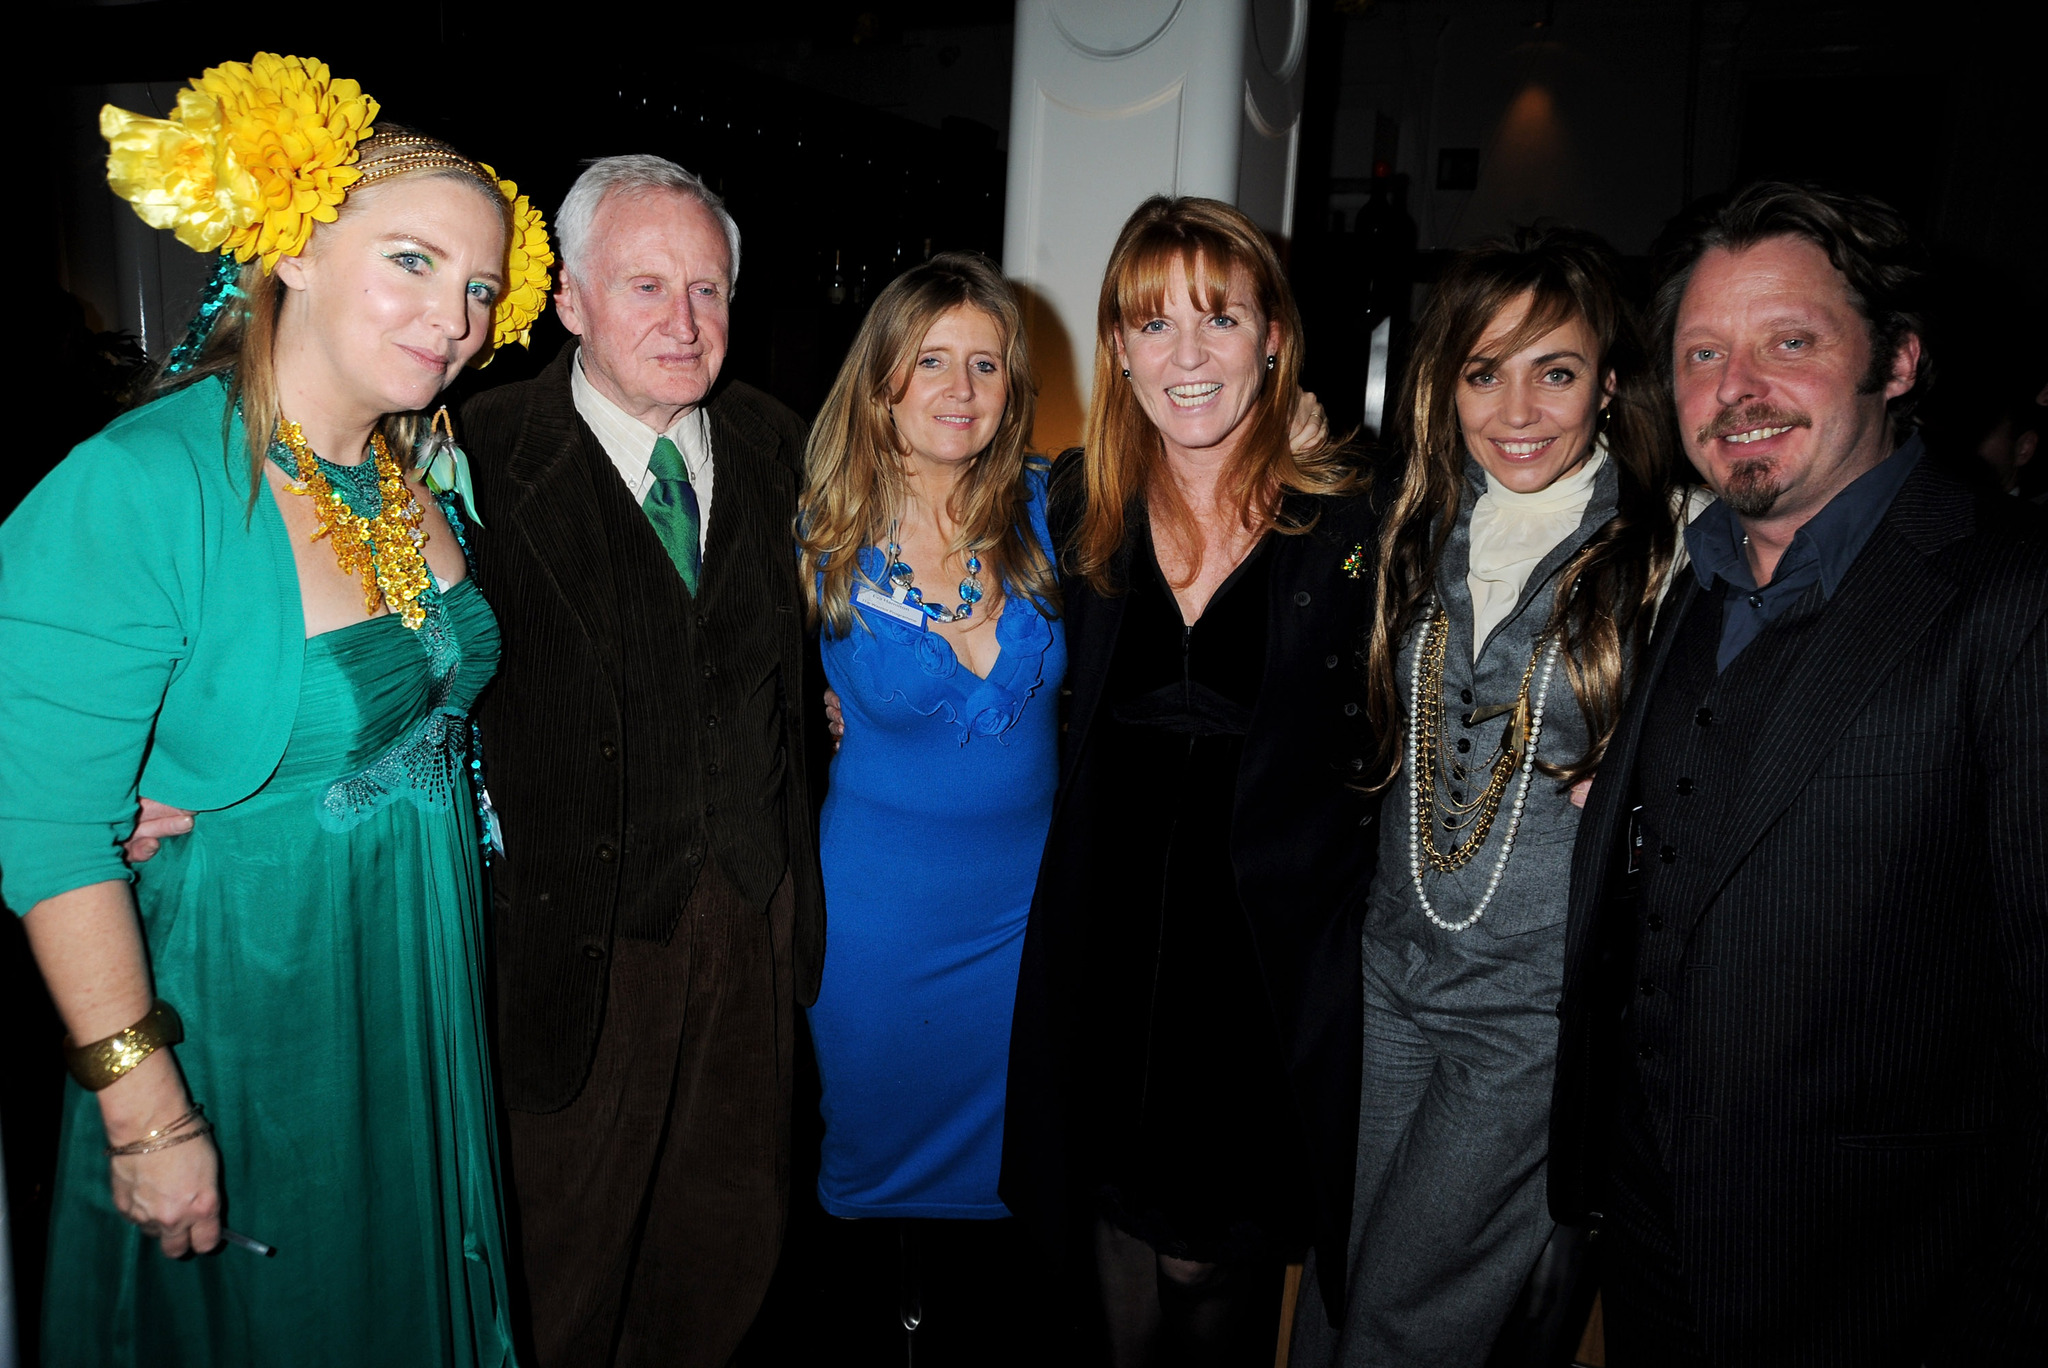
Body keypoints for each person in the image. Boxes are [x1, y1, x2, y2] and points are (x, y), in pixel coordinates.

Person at [0, 52, 551, 1366]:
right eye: (412, 261)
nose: (457, 316)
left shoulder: (417, 464)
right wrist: (152, 1120)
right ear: (292, 247)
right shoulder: (139, 483)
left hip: (414, 980)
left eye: (479, 286)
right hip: (249, 1006)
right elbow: (47, 836)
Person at [1551, 182, 2048, 1365]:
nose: (1736, 390)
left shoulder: (2010, 600)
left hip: (1882, 1281)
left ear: (1897, 361)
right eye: (1702, 354)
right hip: (1653, 1239)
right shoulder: (1694, 576)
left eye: (1789, 343)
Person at [1290, 228, 1687, 1367]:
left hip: (1524, 1016)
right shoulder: (1408, 521)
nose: (1515, 408)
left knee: (1408, 1325)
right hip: (1385, 976)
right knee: (1337, 1279)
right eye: (1481, 371)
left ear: (1606, 386)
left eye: (1552, 371)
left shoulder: (1671, 549)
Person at [1000, 195, 1381, 1366]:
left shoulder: (1350, 522)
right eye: (1152, 325)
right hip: (1100, 952)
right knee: (1105, 1249)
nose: (1186, 356)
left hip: (1256, 976)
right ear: (1116, 349)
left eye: (1218, 320)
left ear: (1273, 336)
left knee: (1208, 1267)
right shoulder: (1070, 505)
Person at [458, 154, 823, 1368]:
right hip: (571, 946)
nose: (684, 322)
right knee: (559, 1268)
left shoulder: (780, 445)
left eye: (708, 291)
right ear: (567, 301)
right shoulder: (470, 459)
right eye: (646, 286)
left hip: (751, 923)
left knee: (724, 1255)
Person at [797, 252, 1063, 1225]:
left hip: (1030, 924)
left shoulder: (1055, 509)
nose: (961, 389)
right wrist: (811, 717)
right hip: (879, 929)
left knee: (1023, 1187)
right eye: (933, 360)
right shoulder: (813, 535)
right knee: (869, 1185)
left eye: (986, 365)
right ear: (880, 383)